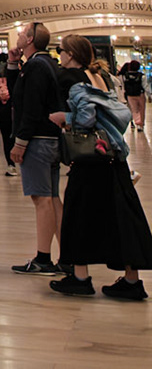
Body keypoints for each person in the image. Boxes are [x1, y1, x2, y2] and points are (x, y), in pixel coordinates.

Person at [48, 34, 151, 299]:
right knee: (122, 215)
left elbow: (85, 117)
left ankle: (80, 277)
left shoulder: (71, 79)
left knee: (78, 212)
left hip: (90, 156)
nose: (59, 56)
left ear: (71, 54)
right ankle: (131, 280)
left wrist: (64, 117)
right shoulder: (101, 77)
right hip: (112, 154)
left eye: (61, 51)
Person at [11, 21, 76, 275]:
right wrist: (15, 65)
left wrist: (20, 142)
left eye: (21, 32)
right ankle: (68, 257)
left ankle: (44, 258)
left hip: (38, 140)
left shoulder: (37, 65)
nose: (18, 34)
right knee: (51, 199)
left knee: (42, 200)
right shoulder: (45, 63)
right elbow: (21, 94)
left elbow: (31, 106)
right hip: (48, 139)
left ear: (29, 39)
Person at [123, 56, 146, 133]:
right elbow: (145, 86)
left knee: (134, 109)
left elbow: (123, 85)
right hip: (140, 94)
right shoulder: (141, 75)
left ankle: (137, 122)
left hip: (130, 95)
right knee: (141, 109)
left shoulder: (125, 75)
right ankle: (141, 125)